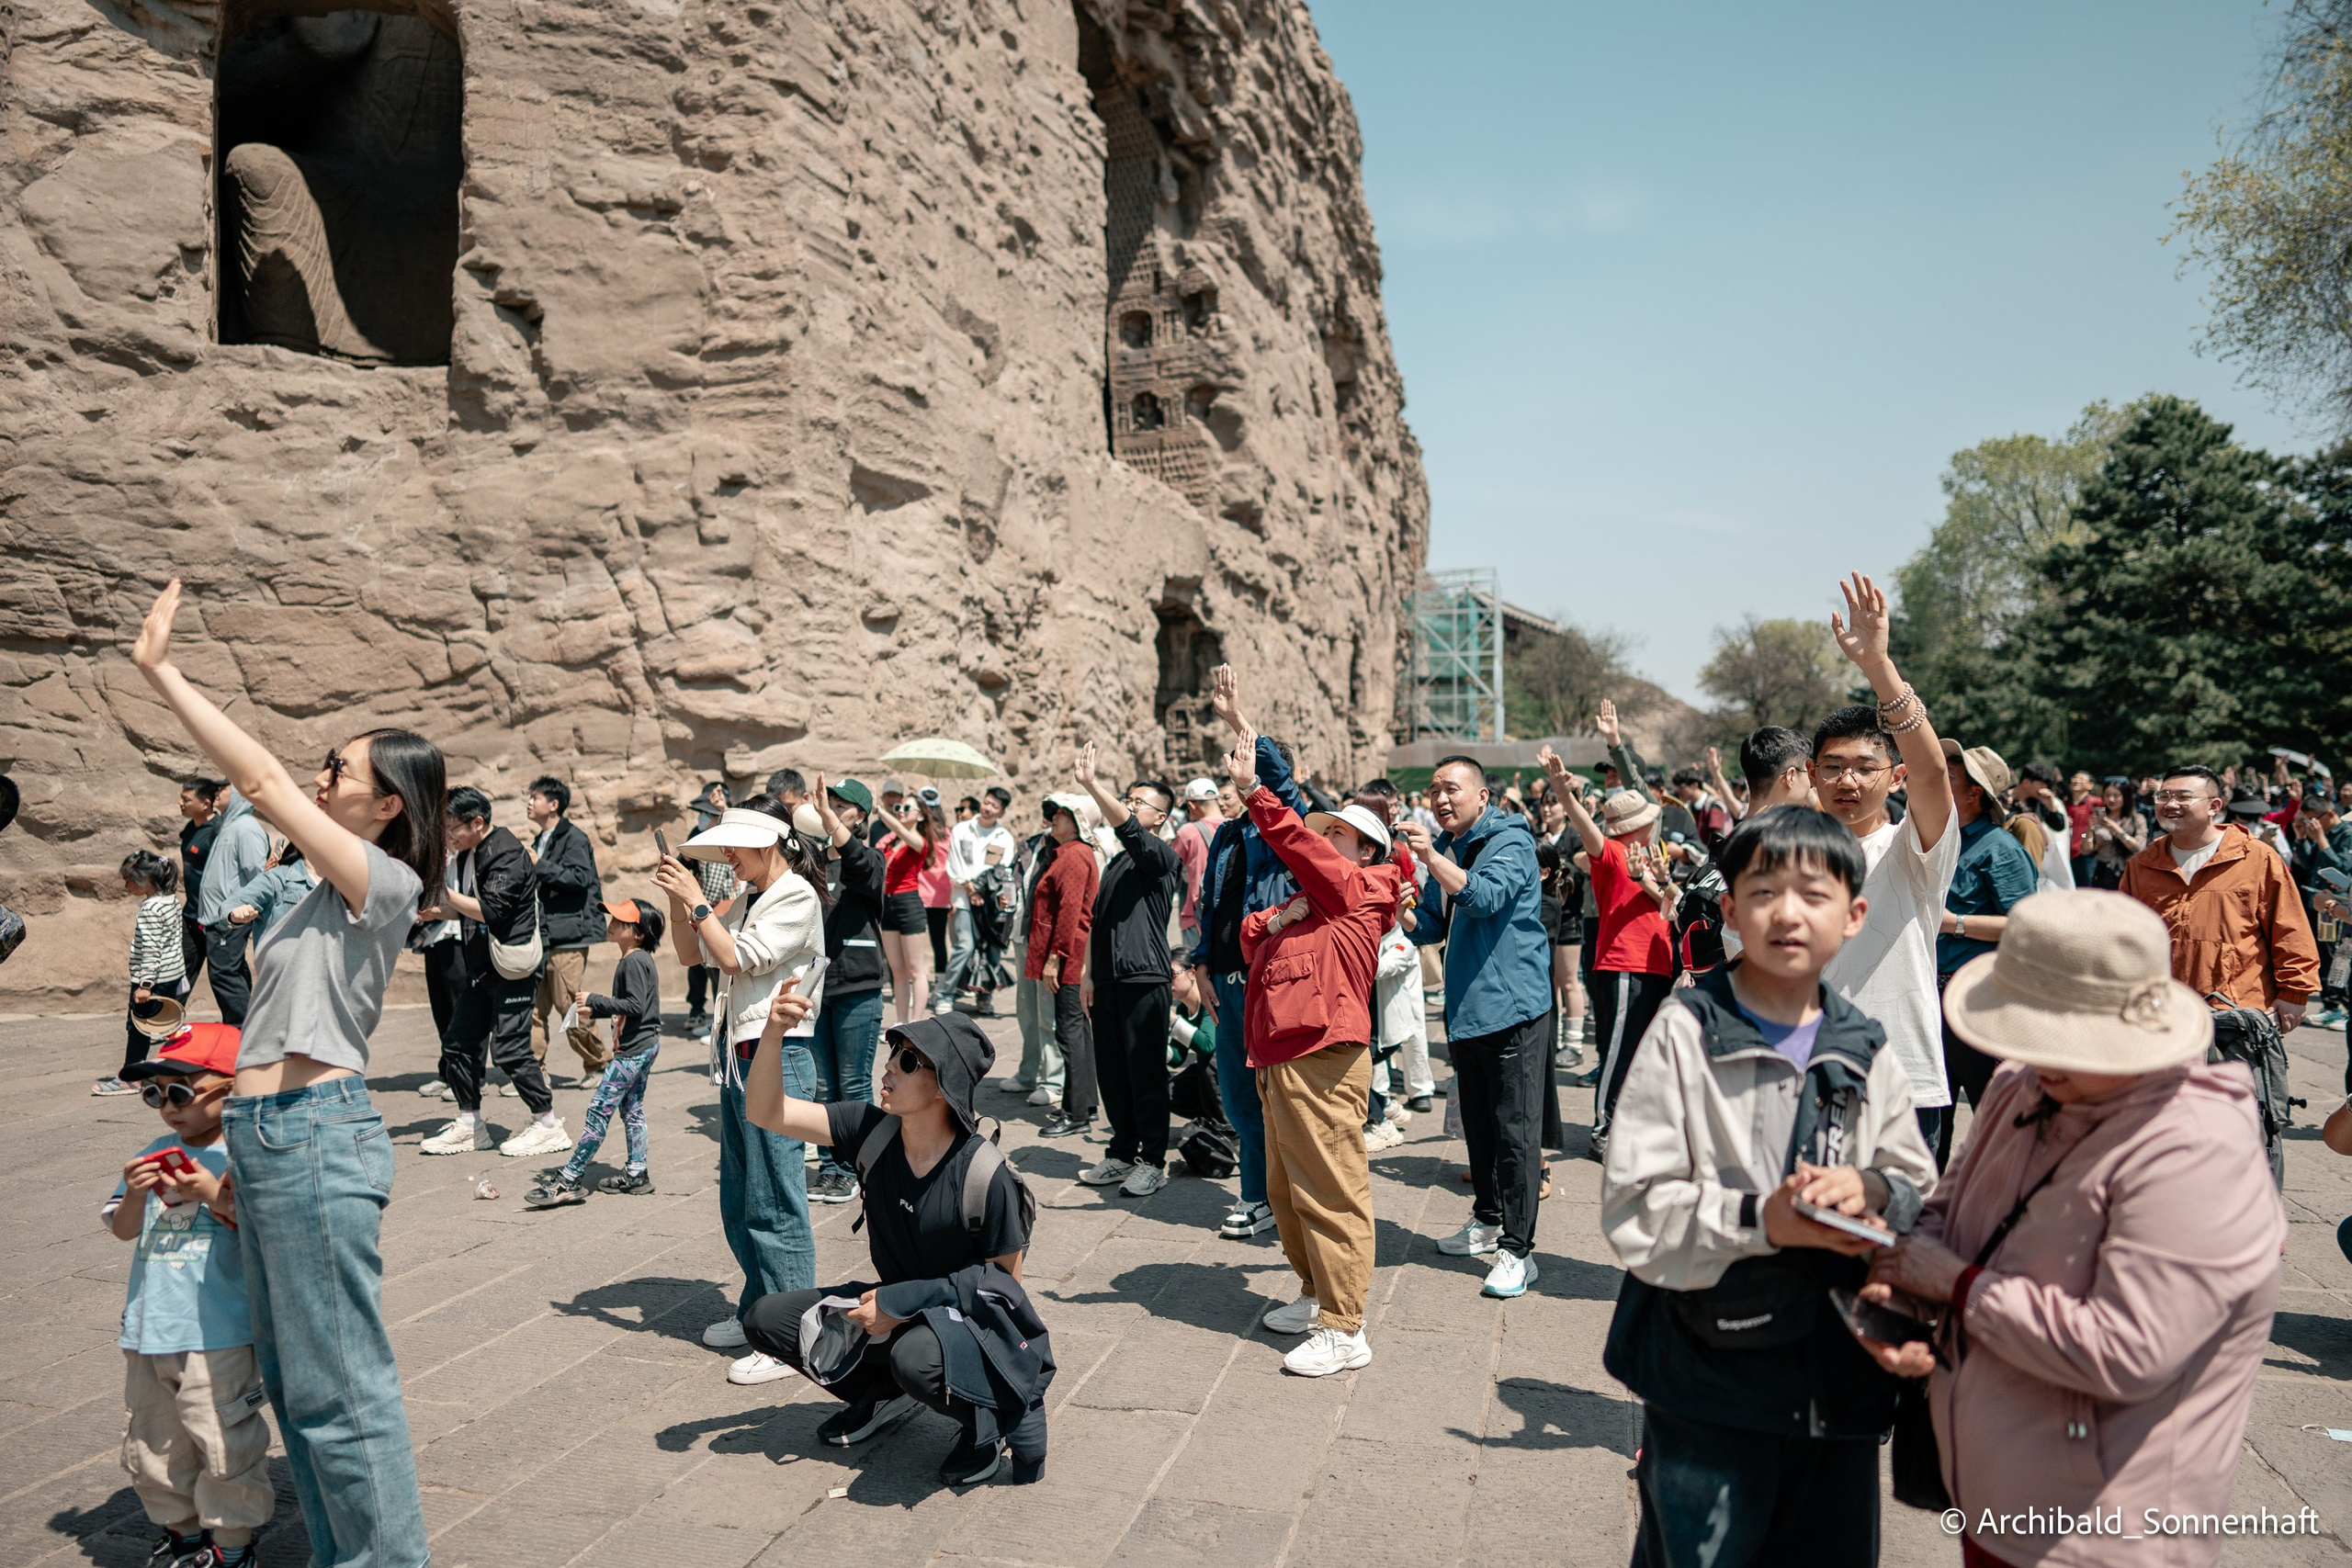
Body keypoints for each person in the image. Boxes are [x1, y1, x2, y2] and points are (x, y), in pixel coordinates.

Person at [130, 579, 441, 1568]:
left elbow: (259, 782)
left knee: (343, 1393)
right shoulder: (311, 888)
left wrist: (164, 671)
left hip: (316, 1134)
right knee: (298, 1387)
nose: (318, 774)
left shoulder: (379, 879)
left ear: (386, 804)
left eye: (339, 767)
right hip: (265, 1141)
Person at [1857, 891, 2285, 1568]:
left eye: (2060, 1039)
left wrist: (1959, 1285)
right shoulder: (2022, 1084)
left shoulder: (2195, 1150)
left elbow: (2128, 1349)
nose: (2038, 1057)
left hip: (2102, 1527)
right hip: (1998, 1489)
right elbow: (1951, 1205)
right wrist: (1906, 1295)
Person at [1602, 805, 1937, 1568]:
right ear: (1728, 909)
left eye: (1814, 894)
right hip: (1709, 1376)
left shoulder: (1863, 1043)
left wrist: (1874, 1187)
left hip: (1838, 1380)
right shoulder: (1688, 1029)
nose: (1789, 913)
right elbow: (1634, 1207)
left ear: (1854, 916)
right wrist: (1764, 1219)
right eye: (1764, 892)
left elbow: (1919, 1179)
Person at [738, 1007, 1047, 1486]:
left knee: (915, 1359)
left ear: (943, 1083)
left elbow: (1005, 1294)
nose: (889, 1065)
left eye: (908, 1060)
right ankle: (881, 1393)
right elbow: (766, 1111)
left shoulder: (985, 1174)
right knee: (766, 1320)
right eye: (893, 1052)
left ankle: (983, 1427)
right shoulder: (871, 1131)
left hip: (961, 1324)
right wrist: (773, 1032)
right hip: (892, 1307)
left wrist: (901, 1304)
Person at [1226, 723, 1404, 1375]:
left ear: (1365, 850)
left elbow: (1297, 846)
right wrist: (1276, 918)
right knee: (1285, 1188)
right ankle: (1315, 1292)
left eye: (1337, 835)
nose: (1324, 839)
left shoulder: (1361, 888)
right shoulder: (1312, 901)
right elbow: (1249, 937)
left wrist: (1257, 794)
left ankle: (1343, 1323)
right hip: (1280, 1057)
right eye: (1324, 830)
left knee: (1331, 1189)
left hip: (1322, 1054)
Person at [653, 795, 831, 1386]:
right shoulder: (751, 898)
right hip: (740, 1055)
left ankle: (793, 1329)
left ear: (767, 844)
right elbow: (692, 953)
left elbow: (738, 959)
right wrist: (681, 905)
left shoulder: (796, 895)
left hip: (780, 1055)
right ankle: (760, 1308)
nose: (726, 853)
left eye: (733, 844)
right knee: (740, 1191)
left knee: (776, 1196)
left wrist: (697, 899)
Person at [107, 1022, 271, 1568]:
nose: (167, 1107)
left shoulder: (251, 1155)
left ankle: (231, 1547)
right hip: (149, 1328)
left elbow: (266, 1234)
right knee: (154, 1445)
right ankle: (183, 1534)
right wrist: (133, 1194)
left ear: (232, 1087)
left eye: (180, 1091)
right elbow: (124, 1229)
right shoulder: (156, 1150)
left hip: (218, 1332)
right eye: (155, 1094)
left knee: (224, 1443)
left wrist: (211, 1195)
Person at [1811, 573, 1960, 1149]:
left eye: (1863, 767)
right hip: (1805, 1075)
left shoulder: (1911, 849)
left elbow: (1933, 771)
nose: (1846, 780)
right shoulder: (1788, 852)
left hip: (1900, 1079)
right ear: (1813, 775)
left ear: (1894, 777)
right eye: (1832, 766)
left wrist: (1879, 668)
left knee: (1898, 1238)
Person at [1401, 750, 1552, 1299]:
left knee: (1515, 1132)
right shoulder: (1446, 846)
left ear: (1482, 796)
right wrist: (1404, 911)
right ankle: (1487, 1221)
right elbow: (1435, 925)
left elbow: (1484, 898)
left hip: (1513, 1009)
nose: (1441, 799)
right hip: (1468, 1009)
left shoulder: (1510, 840)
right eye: (1435, 789)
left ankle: (1519, 1250)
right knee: (1480, 1130)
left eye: (1453, 789)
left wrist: (1430, 859)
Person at [1190, 667, 1311, 1240]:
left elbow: (1281, 790)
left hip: (1275, 980)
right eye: (1233, 773)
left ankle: (1288, 1201)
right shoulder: (1228, 835)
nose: (1236, 782)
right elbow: (1210, 906)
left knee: (1278, 1101)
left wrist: (1239, 719)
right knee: (1237, 1098)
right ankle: (1258, 1197)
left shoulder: (1287, 828)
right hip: (1229, 982)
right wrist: (1201, 966)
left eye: (1245, 771)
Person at [2120, 763, 2320, 1037]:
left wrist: (2295, 993)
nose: (2171, 804)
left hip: (2237, 1012)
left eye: (2183, 797)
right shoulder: (2142, 865)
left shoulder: (2256, 857)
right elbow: (2123, 939)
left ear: (2214, 805)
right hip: (2163, 1012)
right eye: (2163, 796)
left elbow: (2290, 928)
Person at [419, 788, 566, 1158]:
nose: (448, 836)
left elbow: (492, 911)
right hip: (484, 968)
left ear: (477, 823)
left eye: (452, 828)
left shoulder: (505, 851)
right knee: (458, 1042)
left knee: (510, 1050)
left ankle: (548, 1125)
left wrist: (445, 894)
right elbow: (470, 909)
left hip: (513, 965)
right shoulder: (470, 852)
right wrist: (437, 912)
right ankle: (470, 1125)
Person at [1546, 752, 1677, 1164]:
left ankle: (1627, 1124)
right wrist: (1565, 793)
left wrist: (1658, 880)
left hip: (1657, 961)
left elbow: (1672, 905)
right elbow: (1585, 829)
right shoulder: (1611, 853)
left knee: (1641, 1050)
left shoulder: (1653, 857)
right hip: (1624, 962)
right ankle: (1604, 1127)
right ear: (1639, 825)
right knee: (1618, 1051)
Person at [1070, 750, 1182, 1197]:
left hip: (1145, 979)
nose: (1131, 806)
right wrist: (1088, 974)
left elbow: (1129, 830)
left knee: (1145, 1073)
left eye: (1140, 802)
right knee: (1112, 1073)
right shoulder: (1116, 862)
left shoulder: (1160, 855)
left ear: (1160, 817)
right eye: (1129, 798)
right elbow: (1099, 922)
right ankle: (1121, 1152)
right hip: (1111, 982)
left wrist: (1094, 786)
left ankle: (1152, 1160)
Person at [1930, 740, 2041, 1166]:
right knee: (1929, 1120)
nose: (1936, 784)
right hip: (1930, 998)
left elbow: (2026, 926)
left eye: (1949, 778)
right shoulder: (1939, 840)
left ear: (1975, 794)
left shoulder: (1999, 847)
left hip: (1976, 1000)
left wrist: (1953, 922)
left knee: (1995, 1121)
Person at [526, 898, 666, 1207]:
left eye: (620, 921)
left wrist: (596, 999)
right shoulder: (637, 959)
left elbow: (636, 1006)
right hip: (644, 1045)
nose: (611, 923)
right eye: (612, 918)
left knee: (598, 1112)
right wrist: (596, 1010)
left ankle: (569, 1179)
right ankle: (637, 1172)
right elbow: (638, 1009)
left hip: (632, 1052)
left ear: (639, 933)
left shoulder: (634, 961)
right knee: (632, 1110)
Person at [808, 774, 888, 1204]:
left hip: (858, 988)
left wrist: (827, 820)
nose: (832, 810)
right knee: (822, 1088)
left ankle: (859, 1167)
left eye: (841, 806)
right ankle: (830, 1168)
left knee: (853, 1083)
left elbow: (857, 864)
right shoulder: (815, 862)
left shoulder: (871, 859)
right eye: (829, 804)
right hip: (818, 988)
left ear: (860, 817)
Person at [526, 776, 609, 1085]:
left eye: (535, 797)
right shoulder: (540, 840)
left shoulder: (573, 838)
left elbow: (578, 878)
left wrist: (537, 865)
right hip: (542, 935)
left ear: (554, 804)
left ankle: (598, 1063)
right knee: (534, 1007)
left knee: (568, 1004)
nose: (529, 803)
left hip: (569, 935)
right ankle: (535, 1070)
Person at [1028, 795, 1101, 1138]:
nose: (1054, 818)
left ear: (1077, 820)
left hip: (1070, 956)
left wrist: (1055, 958)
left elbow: (1071, 912)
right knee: (1076, 1031)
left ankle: (1076, 1113)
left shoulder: (1074, 856)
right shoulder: (1071, 853)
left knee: (1070, 1032)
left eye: (1062, 813)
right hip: (1073, 953)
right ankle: (1082, 1104)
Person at [104, 852, 191, 1097]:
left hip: (153, 979)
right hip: (172, 974)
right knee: (167, 1025)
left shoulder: (151, 910)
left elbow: (152, 949)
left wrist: (145, 984)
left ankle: (132, 1077)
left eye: (129, 880)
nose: (126, 885)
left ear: (144, 881)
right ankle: (171, 1069)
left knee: (139, 1028)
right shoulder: (170, 901)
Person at [192, 787, 267, 1026]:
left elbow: (257, 873)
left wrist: (245, 908)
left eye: (223, 787)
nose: (215, 792)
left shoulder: (245, 827)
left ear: (238, 794)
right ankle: (241, 1028)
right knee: (231, 971)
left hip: (231, 916)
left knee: (224, 973)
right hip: (219, 916)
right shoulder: (229, 825)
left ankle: (242, 1030)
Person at [938, 785, 1015, 1014]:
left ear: (1001, 812)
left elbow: (1003, 869)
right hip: (963, 898)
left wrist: (985, 892)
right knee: (965, 946)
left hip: (990, 904)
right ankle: (945, 993)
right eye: (987, 802)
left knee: (991, 949)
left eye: (995, 806)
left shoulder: (1004, 837)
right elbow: (954, 863)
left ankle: (985, 996)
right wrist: (970, 888)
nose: (988, 808)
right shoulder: (962, 829)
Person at [876, 788, 943, 1023]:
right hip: (888, 904)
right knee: (898, 971)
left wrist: (881, 812)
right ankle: (901, 1022)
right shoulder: (890, 841)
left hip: (909, 903)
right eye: (899, 808)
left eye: (906, 808)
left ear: (921, 816)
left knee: (916, 970)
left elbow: (902, 830)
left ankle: (916, 1023)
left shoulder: (920, 841)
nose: (901, 811)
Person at [683, 780, 735, 1037]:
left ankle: (721, 1028)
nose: (701, 817)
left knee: (718, 975)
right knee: (707, 970)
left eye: (707, 812)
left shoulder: (720, 840)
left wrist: (698, 904)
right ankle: (716, 1023)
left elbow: (714, 888)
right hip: (713, 914)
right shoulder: (700, 834)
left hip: (716, 913)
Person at [176, 779, 223, 988]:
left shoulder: (219, 831)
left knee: (225, 975)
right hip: (191, 915)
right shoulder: (189, 829)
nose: (181, 803)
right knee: (180, 974)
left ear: (206, 804)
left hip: (215, 918)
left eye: (187, 799)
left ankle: (239, 1020)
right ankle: (168, 1019)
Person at [1171, 777, 1223, 953]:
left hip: (1196, 914)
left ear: (1192, 805)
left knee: (1195, 972)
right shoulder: (1235, 827)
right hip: (1227, 915)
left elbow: (1170, 866)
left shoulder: (1188, 831)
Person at [1737, 726, 1815, 814]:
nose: (1810, 785)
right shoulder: (1802, 827)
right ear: (1790, 777)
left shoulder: (1736, 827)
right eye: (1808, 773)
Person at [2086, 778, 2146, 890]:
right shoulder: (2099, 818)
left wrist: (2116, 829)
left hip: (2129, 874)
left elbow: (2139, 847)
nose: (2111, 799)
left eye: (2116, 795)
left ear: (2125, 796)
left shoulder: (2137, 819)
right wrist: (2087, 832)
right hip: (2102, 873)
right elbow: (2086, 850)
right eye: (2107, 795)